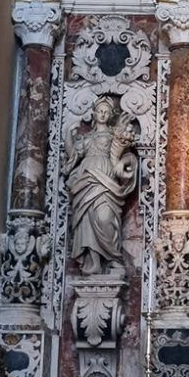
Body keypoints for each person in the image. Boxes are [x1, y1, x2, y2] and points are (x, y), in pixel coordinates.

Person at [64, 96, 139, 275]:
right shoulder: (85, 137)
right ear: (94, 113)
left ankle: (113, 258)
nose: (103, 114)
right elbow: (73, 156)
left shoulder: (115, 134)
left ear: (111, 114)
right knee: (86, 220)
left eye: (106, 111)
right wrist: (68, 136)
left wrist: (122, 165)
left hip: (107, 178)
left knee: (104, 217)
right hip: (86, 178)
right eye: (100, 111)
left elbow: (128, 156)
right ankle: (93, 262)